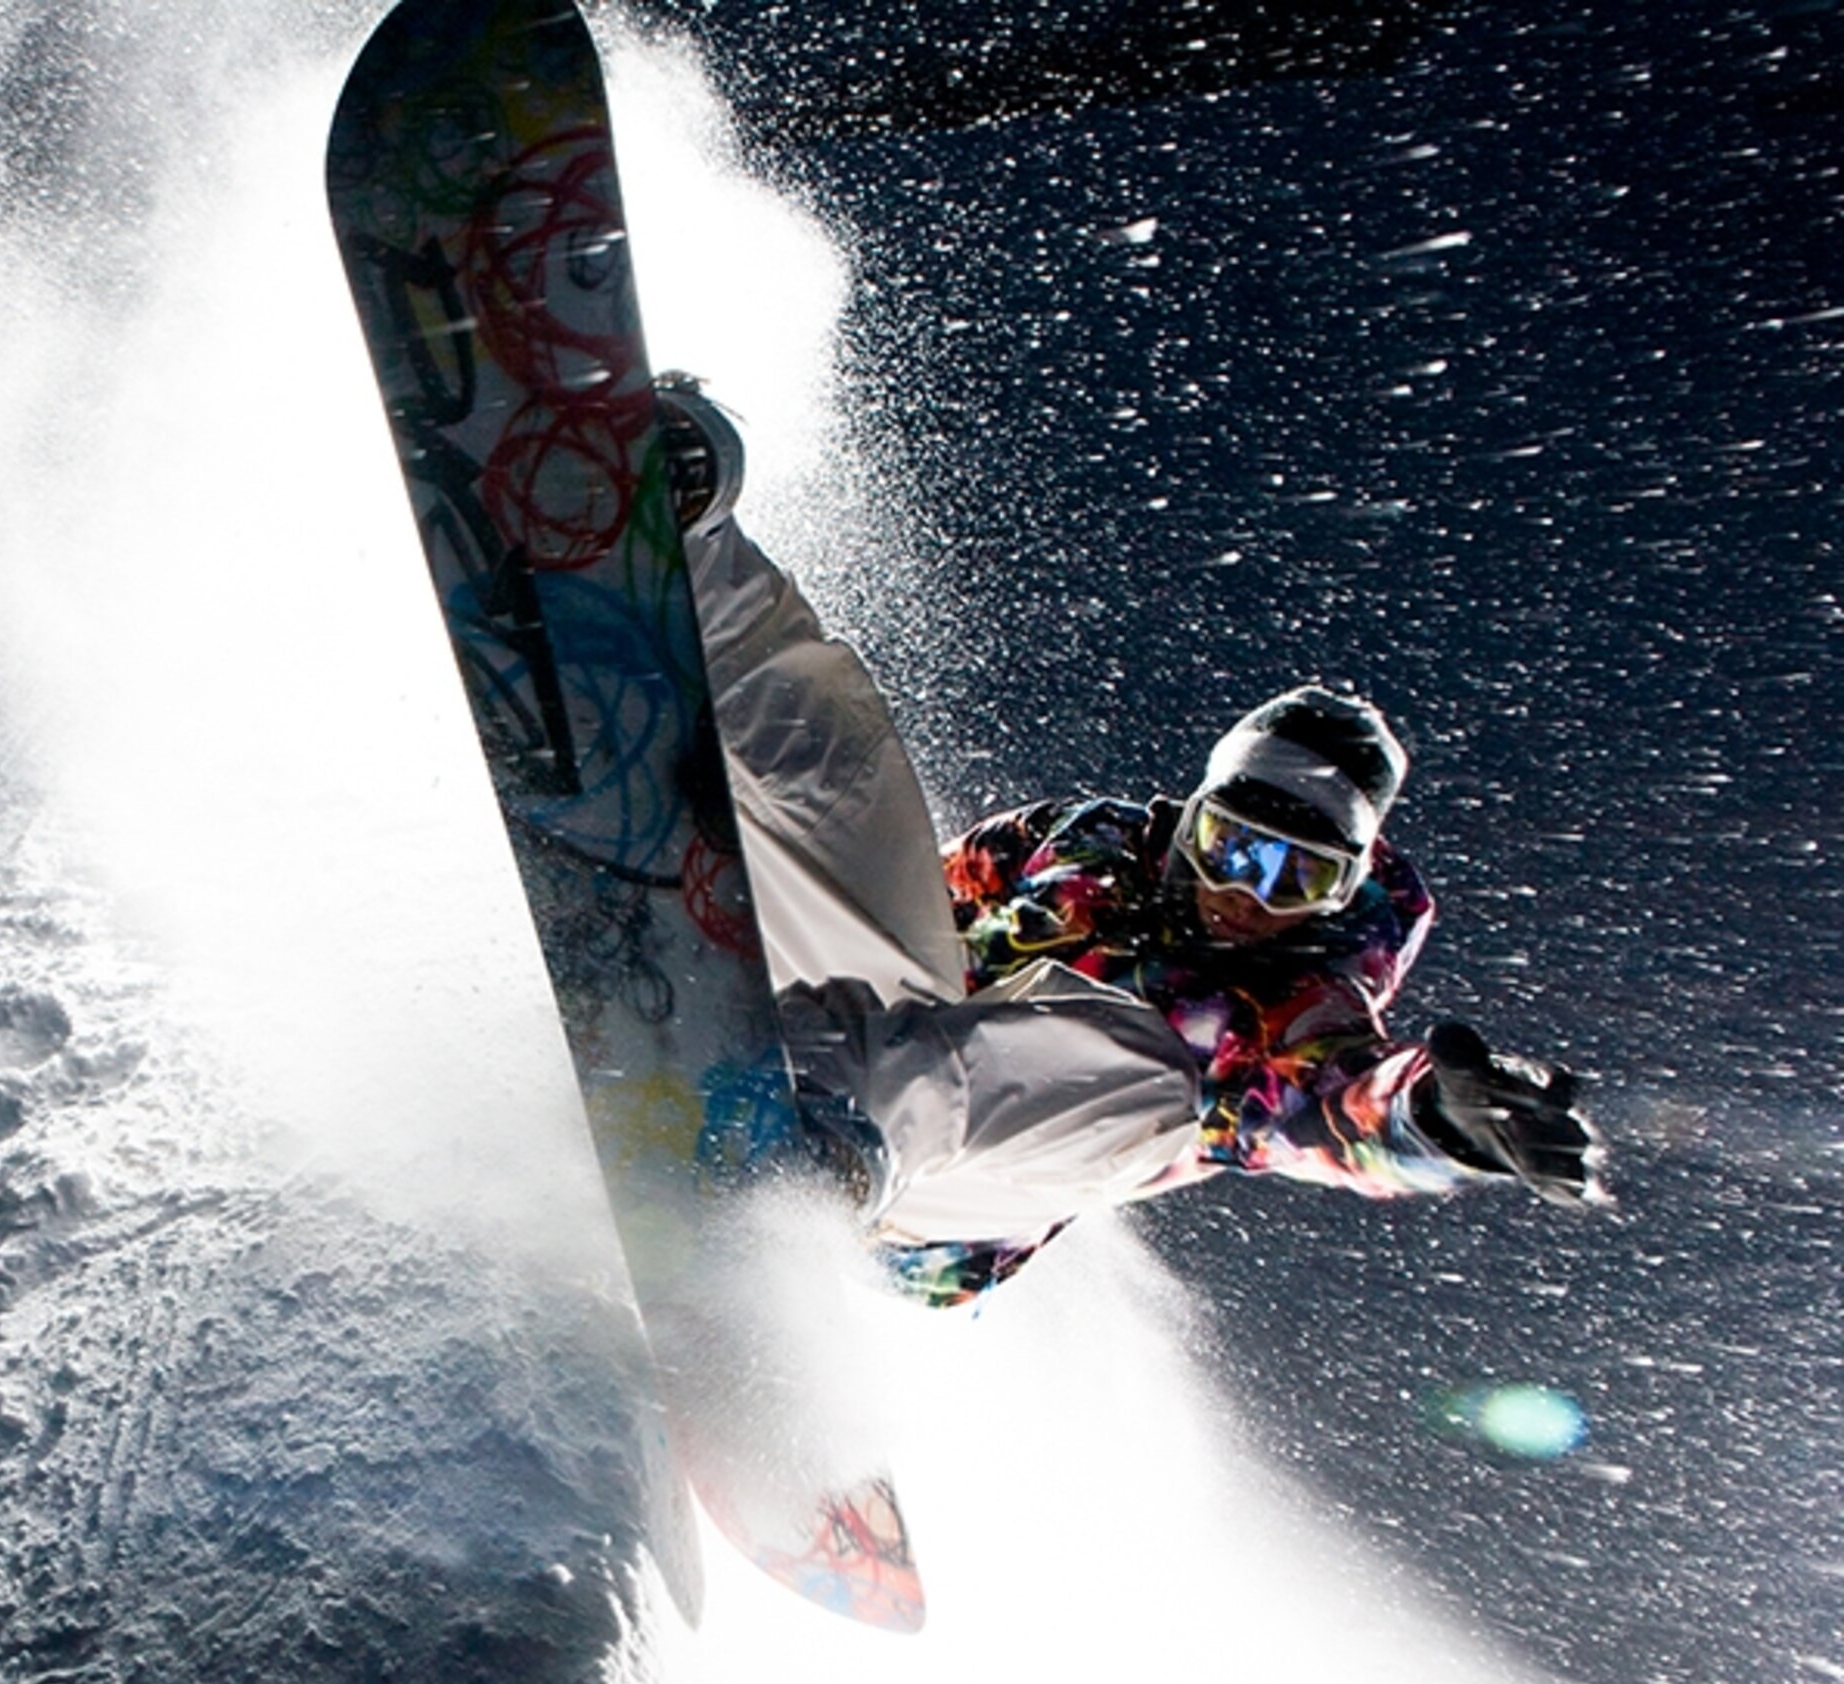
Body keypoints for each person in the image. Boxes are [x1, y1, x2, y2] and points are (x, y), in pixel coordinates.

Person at [654, 378, 1606, 1308]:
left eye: (1298, 880)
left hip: (925, 1199)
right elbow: (878, 891)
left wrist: (1436, 1116)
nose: (1250, 895)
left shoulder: (1294, 1010)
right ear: (1189, 819)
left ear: (1339, 894)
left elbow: (1334, 1105)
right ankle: (676, 545)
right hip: (841, 1023)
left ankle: (798, 1141)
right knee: (849, 775)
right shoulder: (1085, 845)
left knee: (1158, 1073)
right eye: (1233, 846)